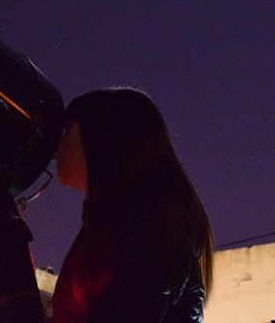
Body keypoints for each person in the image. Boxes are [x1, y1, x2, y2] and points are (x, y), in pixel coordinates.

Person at [52, 87, 214, 323]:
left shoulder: (154, 227)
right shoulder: (114, 223)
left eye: (68, 128)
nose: (57, 144)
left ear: (104, 137)